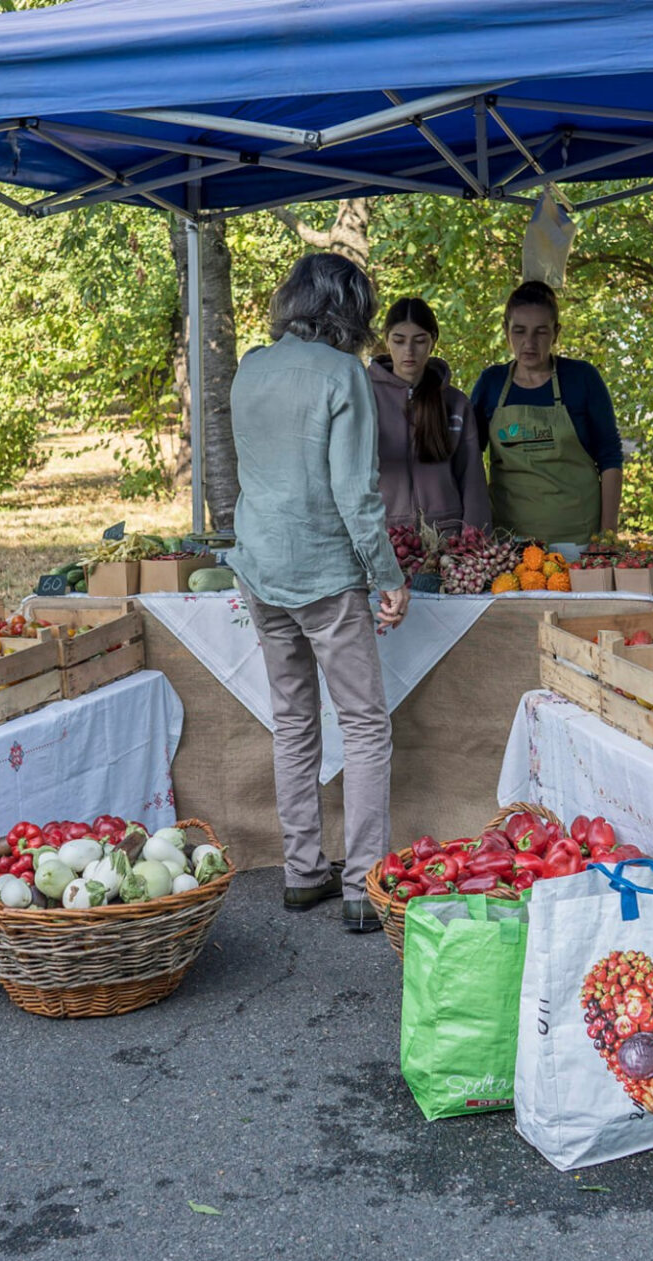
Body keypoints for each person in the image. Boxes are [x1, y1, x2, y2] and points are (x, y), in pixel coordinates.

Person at [227, 253, 409, 935]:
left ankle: (303, 870)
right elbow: (356, 495)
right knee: (364, 722)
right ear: (352, 312)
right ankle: (364, 883)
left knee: (294, 717)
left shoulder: (250, 367)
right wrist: (388, 575)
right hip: (325, 570)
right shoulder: (344, 375)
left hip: (259, 561)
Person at [468, 281, 623, 544]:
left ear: (556, 332)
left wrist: (607, 536)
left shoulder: (582, 378)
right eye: (519, 331)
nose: (529, 342)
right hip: (508, 544)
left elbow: (610, 458)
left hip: (578, 541)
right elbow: (467, 461)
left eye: (541, 332)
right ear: (506, 331)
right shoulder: (491, 383)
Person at [367, 297, 489, 533]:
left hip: (447, 541)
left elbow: (472, 478)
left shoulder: (455, 403)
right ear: (386, 340)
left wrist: (474, 542)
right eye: (399, 341)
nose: (409, 351)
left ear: (433, 341)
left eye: (419, 340)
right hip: (384, 539)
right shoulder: (363, 398)